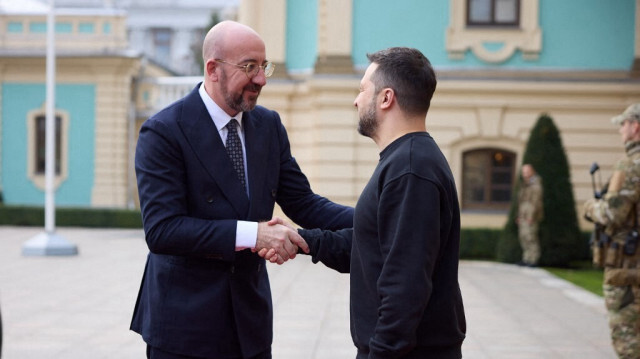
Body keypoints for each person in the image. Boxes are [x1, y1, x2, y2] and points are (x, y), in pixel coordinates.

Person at [130, 20, 353, 359]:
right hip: (184, 328)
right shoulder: (163, 131)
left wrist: (374, 218)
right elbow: (163, 230)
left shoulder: (268, 126)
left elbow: (304, 203)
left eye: (264, 66)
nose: (261, 79)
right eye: (250, 67)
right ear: (213, 69)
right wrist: (254, 236)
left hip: (250, 325)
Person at [263, 47, 466, 358]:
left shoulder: (410, 170)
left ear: (386, 98)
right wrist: (304, 240)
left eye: (362, 90)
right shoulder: (405, 161)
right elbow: (374, 247)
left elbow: (405, 286)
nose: (356, 101)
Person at [583, 103, 640, 359]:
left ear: (635, 127)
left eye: (623, 125)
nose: (620, 131)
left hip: (629, 269)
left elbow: (612, 214)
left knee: (629, 342)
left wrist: (591, 207)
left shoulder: (630, 166)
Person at [516, 163, 544, 267]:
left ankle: (533, 260)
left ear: (532, 172)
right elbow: (521, 201)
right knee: (523, 236)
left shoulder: (536, 185)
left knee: (531, 237)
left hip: (530, 216)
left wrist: (531, 217)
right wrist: (519, 215)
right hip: (523, 214)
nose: (525, 174)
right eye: (523, 172)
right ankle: (526, 258)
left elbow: (535, 202)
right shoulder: (525, 184)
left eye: (527, 171)